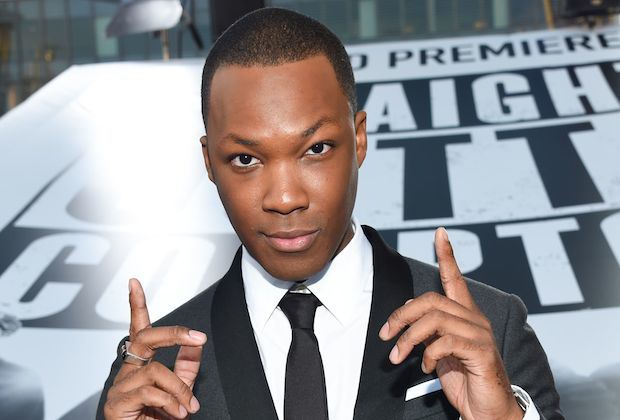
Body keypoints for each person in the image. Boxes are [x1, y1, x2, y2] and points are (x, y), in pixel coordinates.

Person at [97, 8, 563, 420]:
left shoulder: (488, 330)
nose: (284, 198)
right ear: (208, 163)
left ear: (359, 139)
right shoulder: (151, 373)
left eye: (316, 149)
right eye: (245, 159)